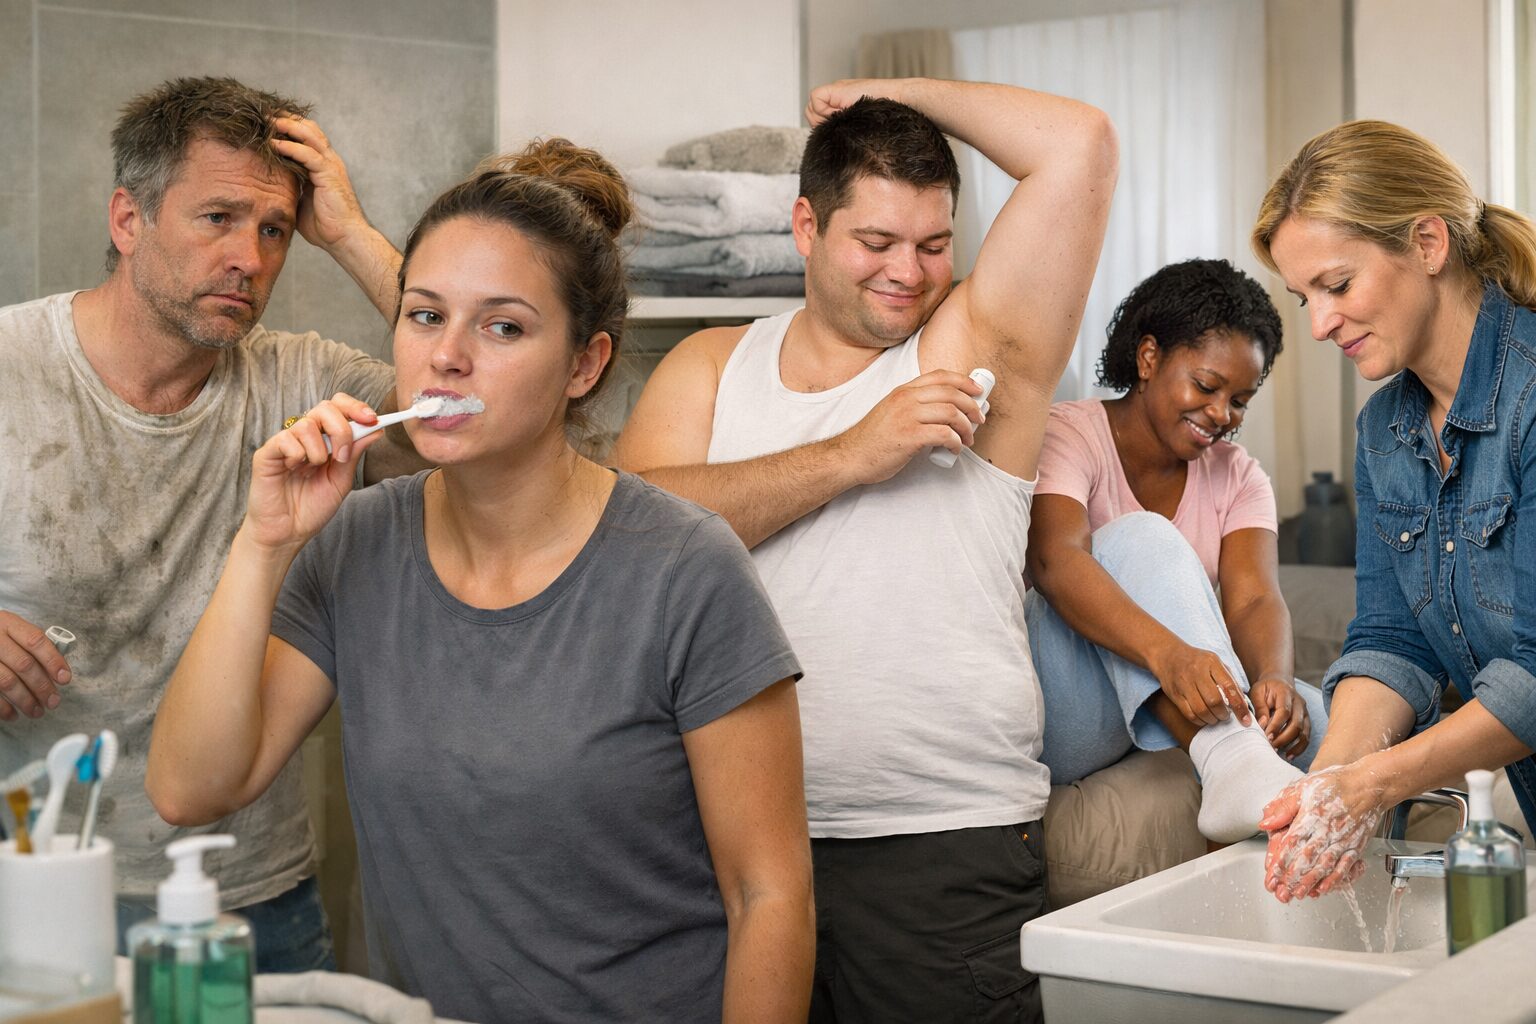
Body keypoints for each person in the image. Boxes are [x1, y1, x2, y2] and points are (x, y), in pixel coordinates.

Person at [146, 140, 815, 1023]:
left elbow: (770, 895)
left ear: (586, 363)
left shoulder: (685, 571)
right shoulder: (356, 544)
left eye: (502, 327)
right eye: (425, 316)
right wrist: (263, 542)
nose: (447, 357)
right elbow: (190, 789)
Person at [614, 78, 1117, 1021]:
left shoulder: (974, 350)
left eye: (933, 245)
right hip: (724, 844)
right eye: (875, 242)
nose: (909, 273)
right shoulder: (714, 365)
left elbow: (1079, 144)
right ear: (806, 227)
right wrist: (852, 456)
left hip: (938, 847)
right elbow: (631, 536)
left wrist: (892, 92)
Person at [0, 76, 414, 971]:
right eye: (217, 218)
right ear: (127, 219)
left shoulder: (303, 380)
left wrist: (348, 233)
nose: (251, 258)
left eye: (274, 230)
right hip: (31, 885)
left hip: (250, 898)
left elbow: (472, 407)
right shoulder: (8, 364)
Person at [1252, 119, 1536, 902]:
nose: (1317, 324)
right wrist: (1333, 782)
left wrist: (1372, 788)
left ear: (1427, 243)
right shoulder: (1385, 432)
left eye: (1337, 285)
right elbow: (1393, 638)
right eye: (1303, 295)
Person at [1027, 258, 1329, 846]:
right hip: (1065, 707)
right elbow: (1054, 562)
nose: (1221, 416)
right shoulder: (1068, 433)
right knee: (1143, 537)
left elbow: (1254, 599)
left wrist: (1273, 678)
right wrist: (1171, 655)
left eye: (1240, 399)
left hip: (1168, 700)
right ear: (1148, 358)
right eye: (1207, 387)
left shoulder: (1238, 476)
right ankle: (1231, 760)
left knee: (1329, 723)